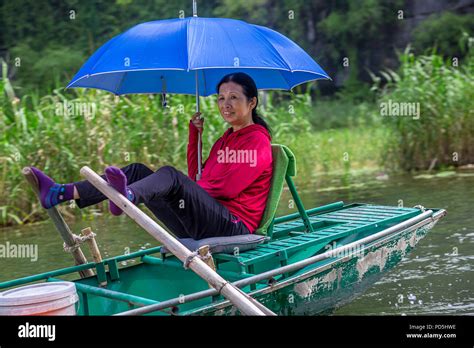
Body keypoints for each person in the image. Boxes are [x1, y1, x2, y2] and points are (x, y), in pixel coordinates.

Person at [30, 72, 273, 240]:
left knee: (169, 175)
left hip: (233, 226)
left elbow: (226, 189)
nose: (225, 104)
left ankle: (126, 197)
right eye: (221, 98)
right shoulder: (226, 139)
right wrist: (195, 137)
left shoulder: (257, 141)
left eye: (234, 98)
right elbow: (197, 175)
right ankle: (60, 192)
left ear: (251, 102)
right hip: (204, 219)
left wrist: (185, 187)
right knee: (137, 171)